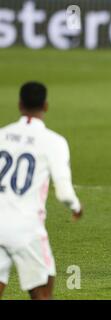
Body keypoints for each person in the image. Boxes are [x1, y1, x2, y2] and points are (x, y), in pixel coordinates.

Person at [0, 81, 83, 299]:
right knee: (42, 292)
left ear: (19, 104)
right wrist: (76, 206)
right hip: (26, 227)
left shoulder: (1, 135)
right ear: (45, 106)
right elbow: (64, 192)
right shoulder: (53, 142)